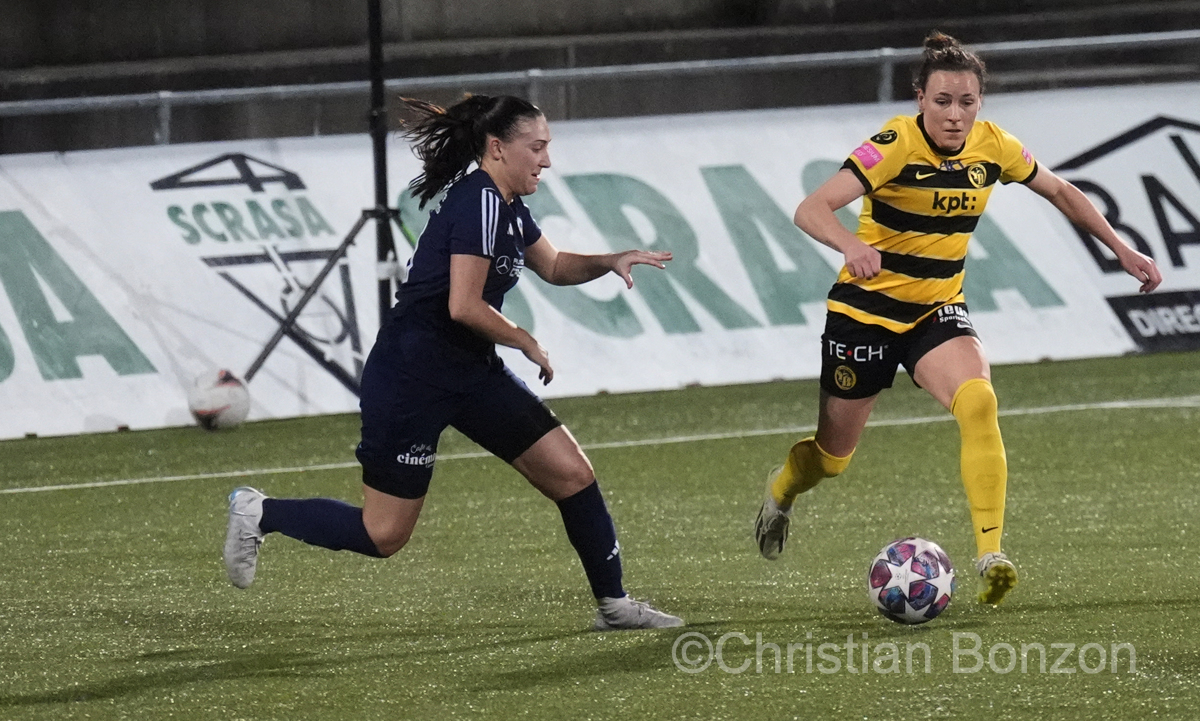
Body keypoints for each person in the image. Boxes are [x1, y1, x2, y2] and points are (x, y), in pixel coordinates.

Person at [224, 94, 683, 631]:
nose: (547, 160)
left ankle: (615, 605)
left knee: (573, 476)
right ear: (497, 148)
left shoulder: (507, 206)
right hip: (411, 377)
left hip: (468, 372)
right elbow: (462, 306)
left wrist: (609, 260)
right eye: (536, 148)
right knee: (384, 535)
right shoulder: (479, 202)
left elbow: (555, 265)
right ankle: (260, 512)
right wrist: (523, 340)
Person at [753, 31, 1161, 606]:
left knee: (979, 401)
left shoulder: (994, 147)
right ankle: (782, 489)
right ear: (920, 97)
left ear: (980, 104)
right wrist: (849, 245)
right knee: (832, 459)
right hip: (864, 316)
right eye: (942, 101)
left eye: (967, 102)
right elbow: (810, 208)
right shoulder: (893, 144)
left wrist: (1121, 249)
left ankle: (990, 553)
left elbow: (1062, 191)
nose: (955, 114)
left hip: (935, 310)